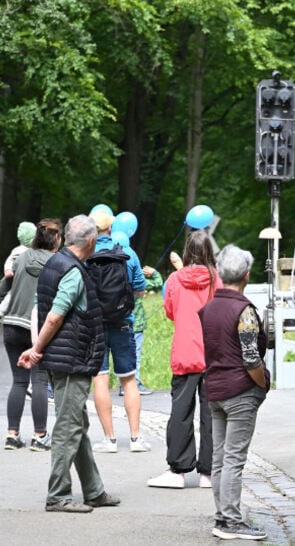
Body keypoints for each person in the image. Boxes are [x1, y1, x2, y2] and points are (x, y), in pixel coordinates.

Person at [18, 214, 120, 513]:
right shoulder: (73, 271)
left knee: (77, 424)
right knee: (68, 426)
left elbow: (44, 309)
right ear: (90, 241)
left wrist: (39, 348)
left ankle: (94, 491)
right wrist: (36, 349)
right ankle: (58, 495)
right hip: (72, 358)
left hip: (63, 357)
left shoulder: (54, 262)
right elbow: (55, 315)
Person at [199, 244, 269, 540]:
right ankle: (230, 520)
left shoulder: (209, 308)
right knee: (234, 459)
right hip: (240, 391)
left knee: (219, 459)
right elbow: (251, 357)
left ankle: (221, 515)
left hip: (213, 390)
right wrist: (263, 382)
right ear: (246, 276)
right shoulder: (245, 311)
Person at [148, 230, 220, 489]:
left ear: (188, 251)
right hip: (212, 353)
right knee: (211, 413)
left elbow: (170, 311)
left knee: (180, 411)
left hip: (185, 352)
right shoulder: (216, 280)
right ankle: (209, 473)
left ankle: (178, 469)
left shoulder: (176, 279)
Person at [89, 209, 149, 453]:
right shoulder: (127, 252)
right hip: (123, 322)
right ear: (112, 228)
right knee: (129, 380)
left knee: (100, 379)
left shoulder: (85, 253)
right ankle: (135, 439)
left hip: (95, 325)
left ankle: (109, 440)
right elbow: (140, 288)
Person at [3, 219, 61, 450]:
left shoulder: (23, 257)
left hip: (11, 324)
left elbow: (7, 283)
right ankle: (39, 436)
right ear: (56, 239)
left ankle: (12, 435)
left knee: (18, 381)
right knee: (39, 380)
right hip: (37, 329)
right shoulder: (57, 263)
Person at [126, 264, 163, 395]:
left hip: (121, 323)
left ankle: (123, 386)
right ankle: (135, 384)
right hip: (137, 324)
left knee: (124, 355)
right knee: (136, 355)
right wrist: (154, 272)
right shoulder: (138, 282)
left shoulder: (116, 281)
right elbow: (158, 283)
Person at [0, 221, 37, 315]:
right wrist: (10, 270)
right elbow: (10, 267)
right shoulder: (21, 251)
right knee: (11, 297)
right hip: (19, 283)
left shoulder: (23, 250)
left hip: (21, 283)